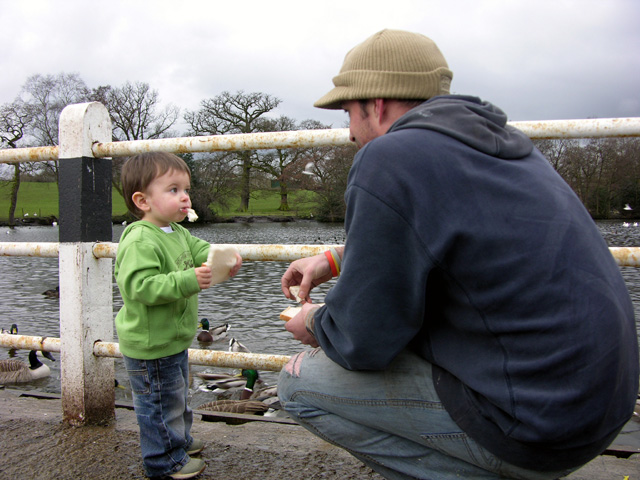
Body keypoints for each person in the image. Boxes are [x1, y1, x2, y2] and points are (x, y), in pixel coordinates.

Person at [278, 29, 639, 480]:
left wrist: (311, 321)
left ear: (377, 104)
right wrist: (333, 260)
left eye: (348, 111)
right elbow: (450, 238)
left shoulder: (389, 157)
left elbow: (361, 341)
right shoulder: (501, 146)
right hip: (599, 410)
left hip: (535, 428)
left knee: (296, 383)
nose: (349, 133)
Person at [115, 152, 241, 479]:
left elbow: (202, 251)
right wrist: (188, 280)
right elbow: (140, 287)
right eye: (173, 190)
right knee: (158, 404)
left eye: (186, 189)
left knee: (176, 397)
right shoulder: (140, 238)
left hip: (173, 338)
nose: (185, 197)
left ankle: (179, 442)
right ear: (143, 201)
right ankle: (163, 461)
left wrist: (224, 258)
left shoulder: (176, 231)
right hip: (151, 342)